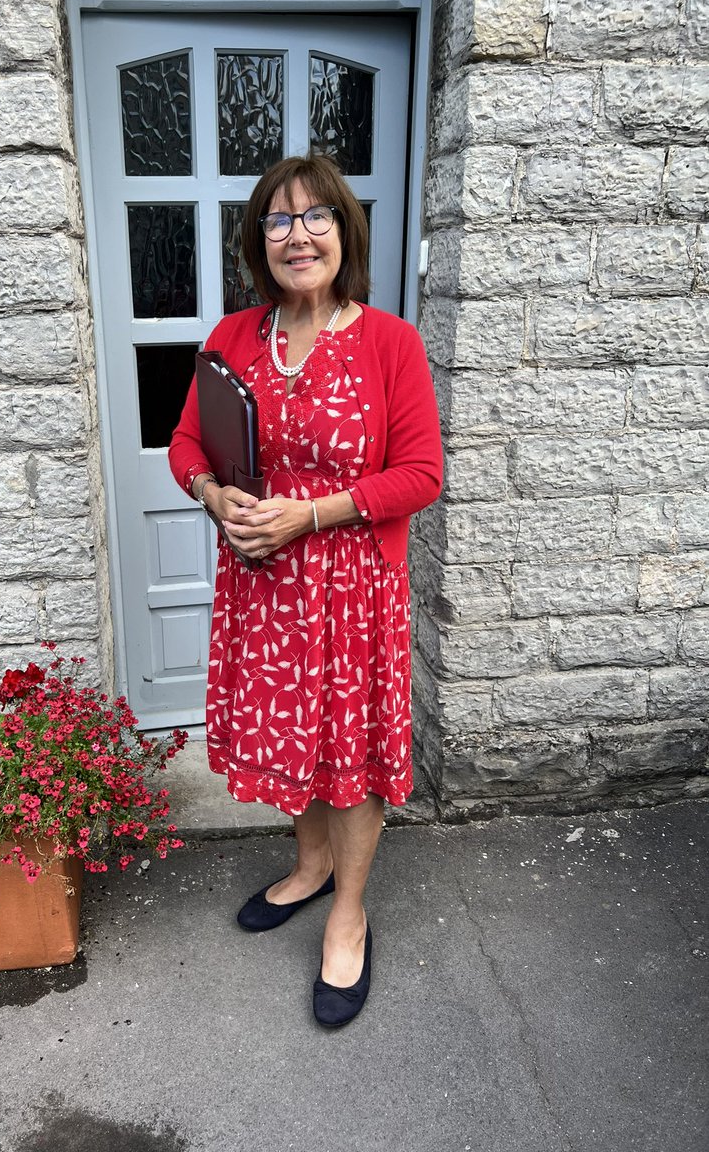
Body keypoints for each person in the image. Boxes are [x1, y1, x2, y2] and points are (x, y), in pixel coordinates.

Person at [168, 154, 442, 1028]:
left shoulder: (391, 341)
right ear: (259, 241)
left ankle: (349, 916)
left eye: (317, 216)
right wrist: (216, 499)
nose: (298, 235)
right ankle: (311, 868)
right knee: (296, 742)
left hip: (353, 590)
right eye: (279, 221)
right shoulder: (232, 337)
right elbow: (185, 445)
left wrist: (310, 515)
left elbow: (420, 475)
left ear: (345, 231)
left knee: (350, 754)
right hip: (264, 592)